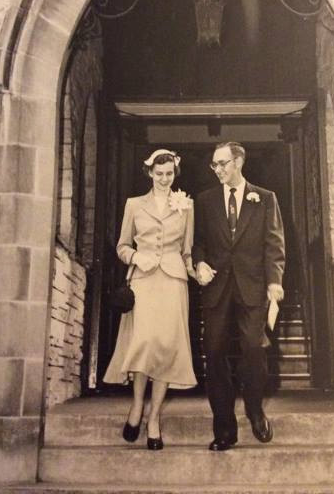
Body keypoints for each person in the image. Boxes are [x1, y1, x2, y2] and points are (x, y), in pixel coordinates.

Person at [192, 141, 285, 451]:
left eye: (223, 163)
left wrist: (275, 281)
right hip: (217, 289)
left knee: (254, 351)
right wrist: (199, 262)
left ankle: (255, 409)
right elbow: (199, 242)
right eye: (214, 165)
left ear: (239, 162)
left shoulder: (266, 198)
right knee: (215, 355)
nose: (217, 170)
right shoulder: (204, 201)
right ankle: (224, 428)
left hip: (253, 287)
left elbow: (274, 245)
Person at [103, 149, 197, 450]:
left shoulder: (186, 205)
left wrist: (197, 270)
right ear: (150, 173)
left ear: (175, 173)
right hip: (143, 280)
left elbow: (187, 251)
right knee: (143, 344)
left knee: (167, 348)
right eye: (159, 174)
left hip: (173, 281)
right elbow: (121, 246)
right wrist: (136, 256)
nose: (164, 179)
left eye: (169, 174)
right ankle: (136, 406)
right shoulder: (134, 204)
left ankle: (154, 417)